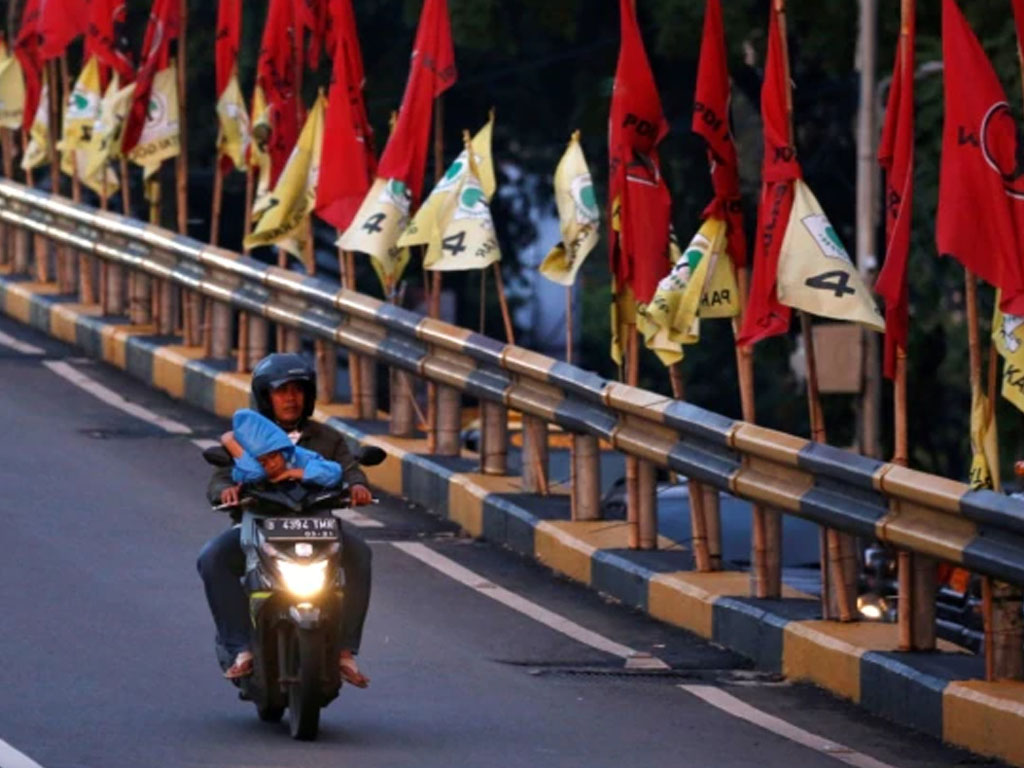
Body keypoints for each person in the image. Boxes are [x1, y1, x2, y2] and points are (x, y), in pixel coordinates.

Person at [198, 353, 374, 686]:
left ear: (309, 396)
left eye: (298, 390)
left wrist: (359, 487)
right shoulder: (247, 436)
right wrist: (226, 492)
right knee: (212, 559)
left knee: (361, 554)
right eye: (281, 391)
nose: (291, 398)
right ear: (266, 397)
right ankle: (241, 648)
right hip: (260, 524)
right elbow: (221, 476)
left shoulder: (327, 439)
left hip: (318, 527)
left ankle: (345, 651)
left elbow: (351, 470)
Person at [222, 408, 342, 487]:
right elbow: (255, 473)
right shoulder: (243, 469)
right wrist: (229, 442)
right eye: (263, 463)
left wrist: (293, 473)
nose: (272, 465)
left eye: (273, 456)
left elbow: (334, 473)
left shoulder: (297, 456)